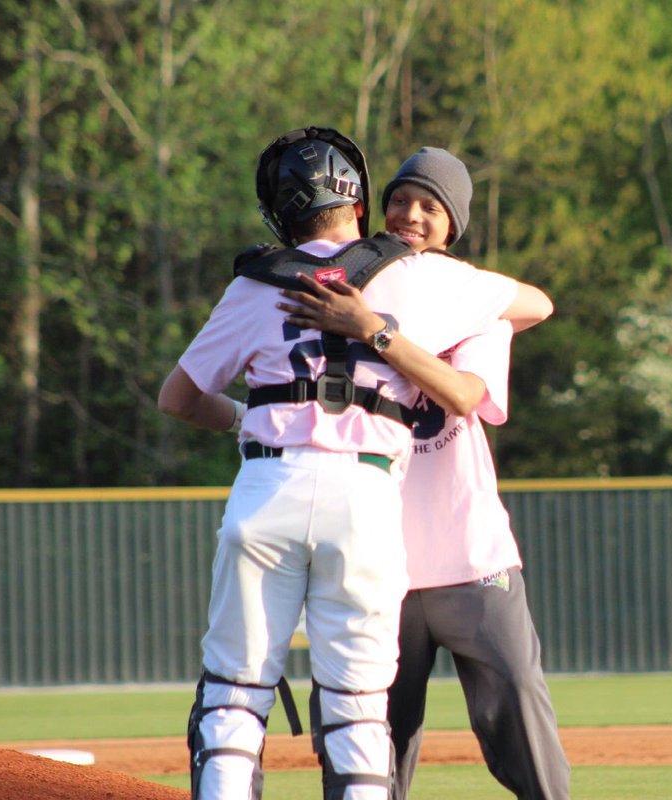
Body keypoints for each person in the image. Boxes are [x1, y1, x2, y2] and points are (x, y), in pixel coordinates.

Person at [157, 127, 552, 800]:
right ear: (361, 198)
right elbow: (535, 304)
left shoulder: (255, 284)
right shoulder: (424, 274)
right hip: (367, 498)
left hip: (267, 485)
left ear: (281, 207)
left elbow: (179, 398)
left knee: (233, 697)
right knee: (360, 708)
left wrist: (239, 420)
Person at [278, 147, 570, 799]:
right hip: (375, 569)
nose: (412, 214)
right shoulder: (343, 296)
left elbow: (465, 395)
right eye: (402, 199)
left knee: (526, 730)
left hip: (474, 563)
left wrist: (377, 334)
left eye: (431, 206)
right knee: (365, 754)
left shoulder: (472, 305)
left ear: (453, 225)